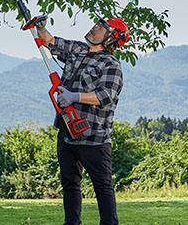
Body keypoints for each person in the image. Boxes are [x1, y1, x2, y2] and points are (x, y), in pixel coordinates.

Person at [35, 16, 129, 225]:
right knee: (69, 184)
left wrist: (74, 96)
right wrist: (40, 28)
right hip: (67, 132)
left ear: (112, 38)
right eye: (96, 24)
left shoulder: (110, 65)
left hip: (94, 137)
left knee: (102, 187)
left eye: (100, 27)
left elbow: (106, 95)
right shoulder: (77, 50)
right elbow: (50, 41)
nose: (94, 28)